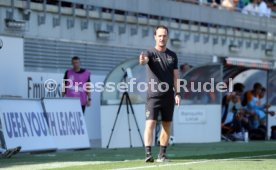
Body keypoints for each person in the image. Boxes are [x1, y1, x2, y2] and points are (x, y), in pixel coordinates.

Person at [139, 25, 181, 163]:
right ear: (155, 37)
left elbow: (176, 76)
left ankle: (162, 154)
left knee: (167, 125)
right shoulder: (149, 52)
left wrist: (178, 93)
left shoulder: (172, 55)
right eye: (160, 35)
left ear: (167, 37)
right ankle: (148, 154)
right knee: (150, 124)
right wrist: (142, 60)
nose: (162, 38)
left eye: (164, 35)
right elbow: (143, 60)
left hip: (169, 96)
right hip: (153, 96)